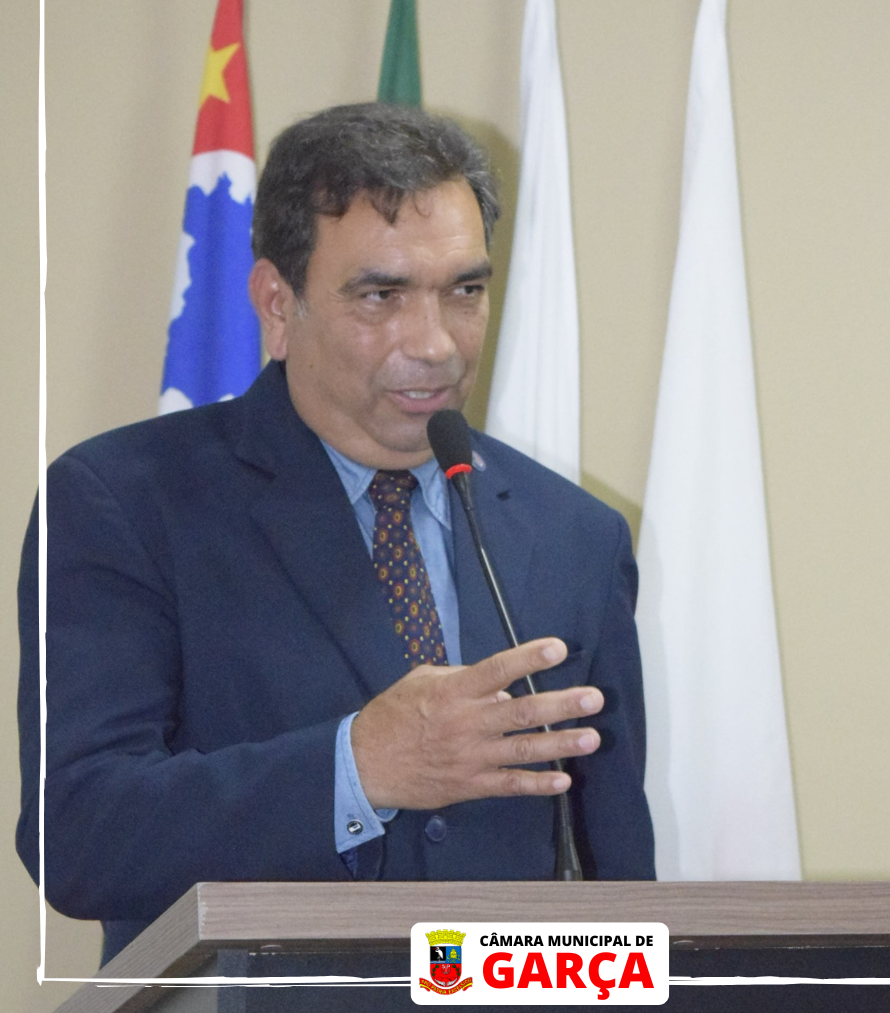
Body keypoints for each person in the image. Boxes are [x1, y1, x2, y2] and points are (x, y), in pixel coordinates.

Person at [16, 103, 654, 964]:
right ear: (277, 304)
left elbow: (616, 882)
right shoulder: (125, 502)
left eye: (464, 291)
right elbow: (78, 834)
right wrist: (356, 767)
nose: (436, 344)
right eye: (382, 296)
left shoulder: (575, 535)